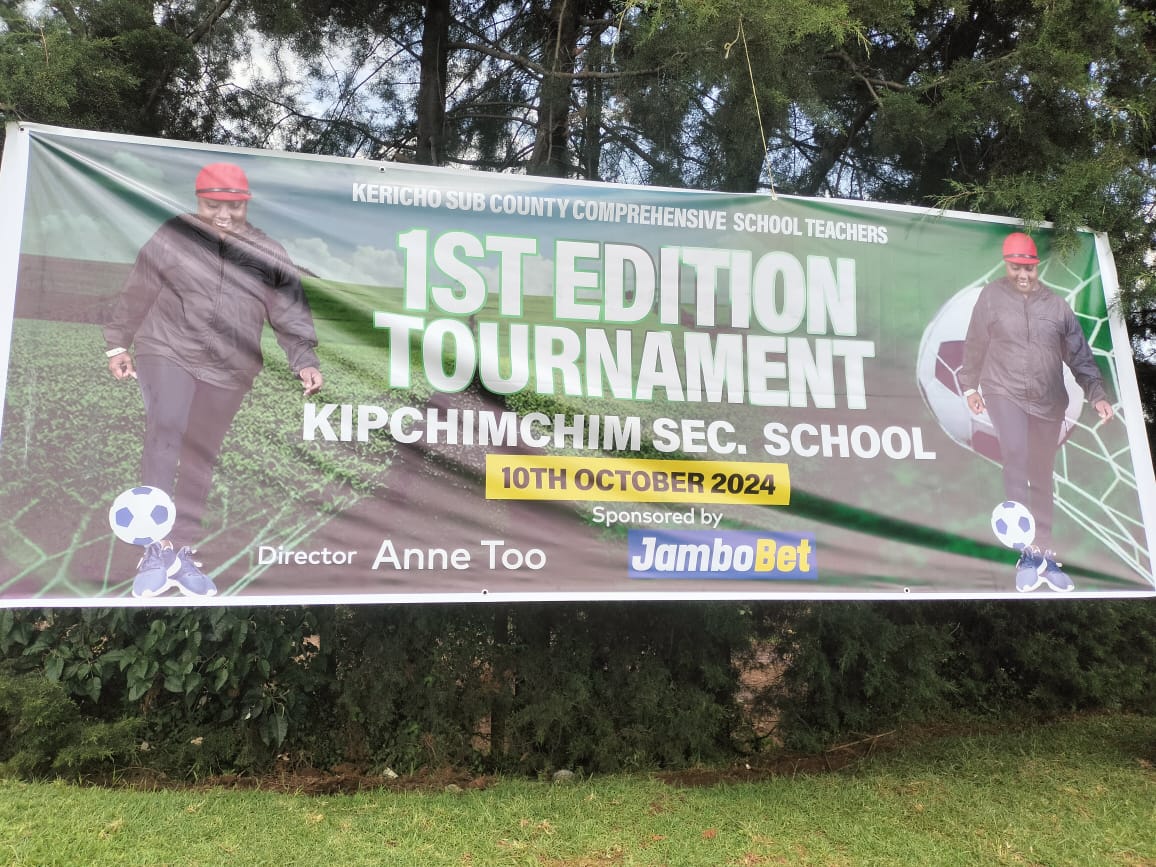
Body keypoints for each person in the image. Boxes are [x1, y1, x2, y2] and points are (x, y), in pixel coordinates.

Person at [104, 162, 323, 598]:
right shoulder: (174, 235)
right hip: (167, 349)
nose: (223, 216)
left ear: (245, 205)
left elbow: (289, 310)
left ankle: (181, 552)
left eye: (233, 208)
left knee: (201, 455)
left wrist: (303, 359)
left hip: (230, 367)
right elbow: (140, 286)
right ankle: (155, 548)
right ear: (198, 199)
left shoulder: (268, 251)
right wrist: (118, 343)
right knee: (166, 426)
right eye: (212, 206)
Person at [960, 231, 1113, 593]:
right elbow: (975, 344)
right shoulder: (991, 298)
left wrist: (1097, 395)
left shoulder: (1057, 307)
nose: (1022, 275)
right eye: (1015, 268)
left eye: (1028, 268)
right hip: (1003, 390)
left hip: (1048, 401)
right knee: (1015, 453)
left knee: (1042, 473)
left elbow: (1079, 355)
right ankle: (1025, 552)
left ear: (1036, 266)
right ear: (1006, 265)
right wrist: (969, 386)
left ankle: (1044, 553)